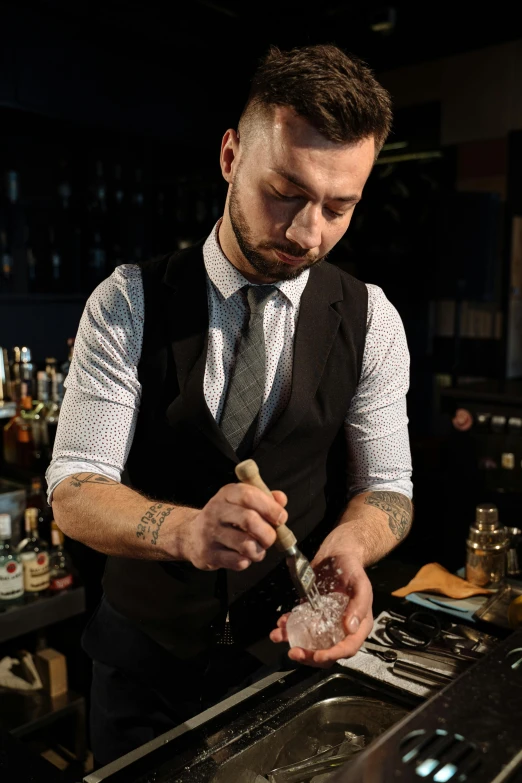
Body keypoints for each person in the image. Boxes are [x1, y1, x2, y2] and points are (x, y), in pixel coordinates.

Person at [47, 43, 413, 767]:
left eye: (338, 208)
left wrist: (354, 543)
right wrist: (183, 529)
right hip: (142, 673)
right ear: (229, 156)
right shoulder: (127, 303)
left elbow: (389, 488)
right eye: (286, 191)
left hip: (284, 666)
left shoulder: (372, 320)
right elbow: (73, 489)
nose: (308, 233)